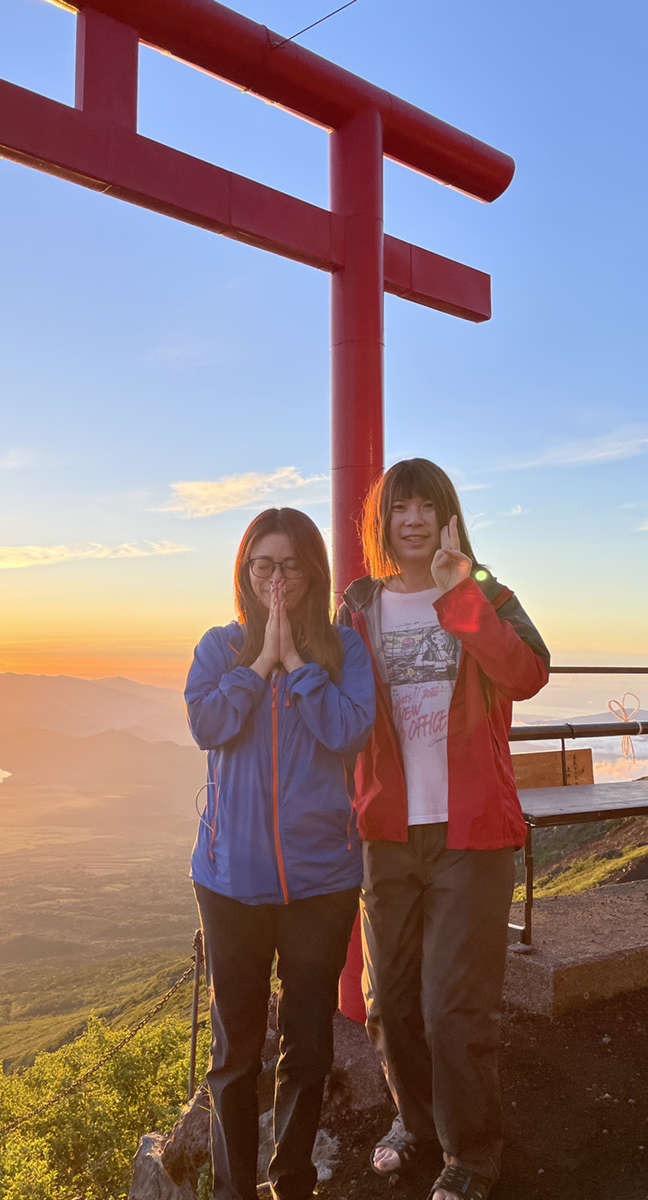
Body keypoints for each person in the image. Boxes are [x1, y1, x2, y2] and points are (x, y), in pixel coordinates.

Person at [340, 459, 550, 1200]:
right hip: (388, 831)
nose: (414, 520)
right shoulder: (359, 607)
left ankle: (471, 1156)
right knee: (390, 1003)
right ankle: (416, 1123)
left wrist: (461, 594)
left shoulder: (488, 593)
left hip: (471, 831)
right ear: (383, 522)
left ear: (449, 517)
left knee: (453, 1008)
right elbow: (336, 710)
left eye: (427, 506)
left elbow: (527, 675)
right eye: (400, 508)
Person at [185, 507, 375, 1200]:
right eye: (262, 564)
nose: (275, 579)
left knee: (308, 1043)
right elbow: (207, 724)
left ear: (312, 572)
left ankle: (292, 1182)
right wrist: (260, 660)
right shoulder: (219, 647)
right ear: (244, 571)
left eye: (290, 565)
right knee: (235, 1053)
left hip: (320, 881)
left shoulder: (343, 650)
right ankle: (233, 1191)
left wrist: (295, 663)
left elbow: (350, 732)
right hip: (229, 880)